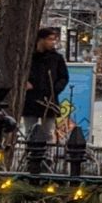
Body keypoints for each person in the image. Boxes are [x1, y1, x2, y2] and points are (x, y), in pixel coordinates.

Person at [22, 25, 69, 159]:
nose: (53, 42)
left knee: (48, 131)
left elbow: (64, 77)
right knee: (30, 130)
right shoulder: (29, 56)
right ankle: (30, 156)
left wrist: (55, 89)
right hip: (31, 99)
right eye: (50, 39)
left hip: (49, 99)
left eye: (54, 39)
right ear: (41, 40)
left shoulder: (56, 58)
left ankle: (48, 157)